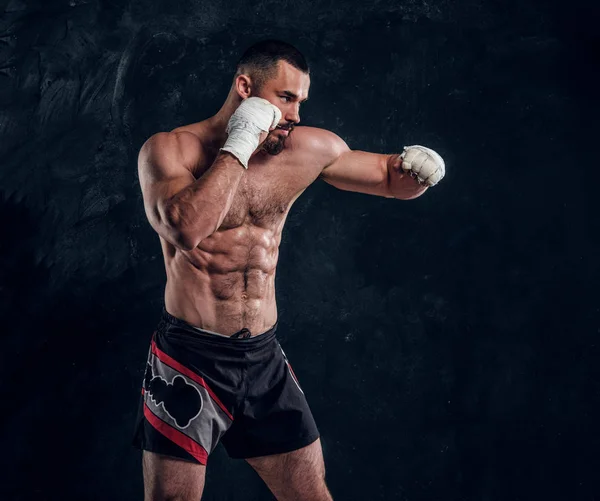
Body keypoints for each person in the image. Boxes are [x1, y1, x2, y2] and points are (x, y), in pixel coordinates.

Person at [132, 38, 445, 501]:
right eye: (285, 98)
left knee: (309, 495)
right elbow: (186, 230)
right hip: (190, 358)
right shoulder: (170, 150)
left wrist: (420, 171)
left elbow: (388, 178)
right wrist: (241, 141)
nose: (296, 114)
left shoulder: (306, 149)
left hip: (262, 358)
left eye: (301, 100)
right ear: (245, 87)